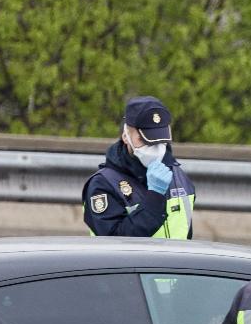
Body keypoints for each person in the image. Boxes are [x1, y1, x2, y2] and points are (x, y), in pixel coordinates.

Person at [82, 96, 196, 238]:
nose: (154, 148)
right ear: (126, 136)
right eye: (144, 140)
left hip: (175, 261)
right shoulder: (103, 185)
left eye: (159, 140)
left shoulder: (179, 177)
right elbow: (115, 243)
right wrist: (154, 198)